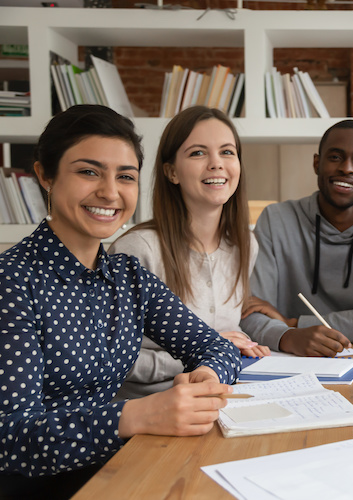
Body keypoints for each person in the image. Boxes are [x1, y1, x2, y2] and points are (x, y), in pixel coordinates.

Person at [0, 105, 241, 498]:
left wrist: (209, 377)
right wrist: (133, 416)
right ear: (45, 175)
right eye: (88, 171)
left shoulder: (128, 276)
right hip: (38, 488)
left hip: (119, 470)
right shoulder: (11, 281)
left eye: (125, 177)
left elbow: (215, 345)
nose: (110, 192)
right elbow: (10, 435)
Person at [110, 106, 269, 401]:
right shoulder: (136, 251)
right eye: (198, 153)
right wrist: (213, 348)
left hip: (221, 395)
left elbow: (232, 330)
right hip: (148, 408)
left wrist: (237, 346)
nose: (216, 164)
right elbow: (111, 362)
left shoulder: (246, 243)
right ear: (171, 172)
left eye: (227, 152)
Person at [240, 119, 353, 356]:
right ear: (317, 163)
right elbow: (250, 313)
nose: (346, 168)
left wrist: (294, 323)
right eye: (335, 157)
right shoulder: (275, 220)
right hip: (289, 358)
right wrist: (289, 337)